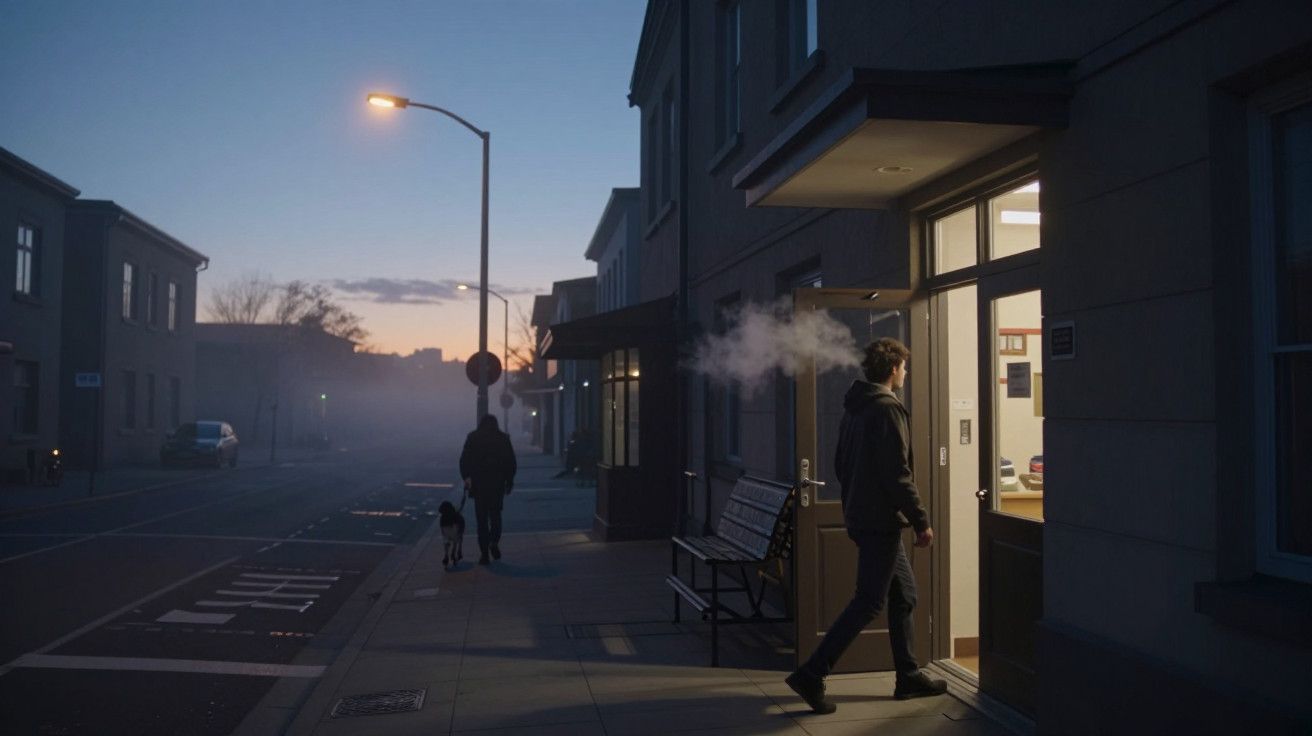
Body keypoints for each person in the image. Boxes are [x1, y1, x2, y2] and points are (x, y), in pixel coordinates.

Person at [786, 337, 947, 714]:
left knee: (904, 594)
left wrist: (858, 502)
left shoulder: (855, 408)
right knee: (869, 601)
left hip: (863, 514)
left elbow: (841, 464)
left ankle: (907, 676)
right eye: (904, 367)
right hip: (880, 521)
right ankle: (812, 673)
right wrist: (921, 520)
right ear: (893, 369)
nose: (905, 372)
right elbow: (898, 474)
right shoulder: (887, 410)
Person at [458, 414, 517, 565]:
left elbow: (464, 460)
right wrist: (509, 481)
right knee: (496, 516)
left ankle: (484, 553)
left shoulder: (473, 437)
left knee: (481, 520)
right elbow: (510, 461)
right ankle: (494, 541)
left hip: (479, 485)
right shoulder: (503, 438)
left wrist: (467, 477)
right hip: (497, 484)